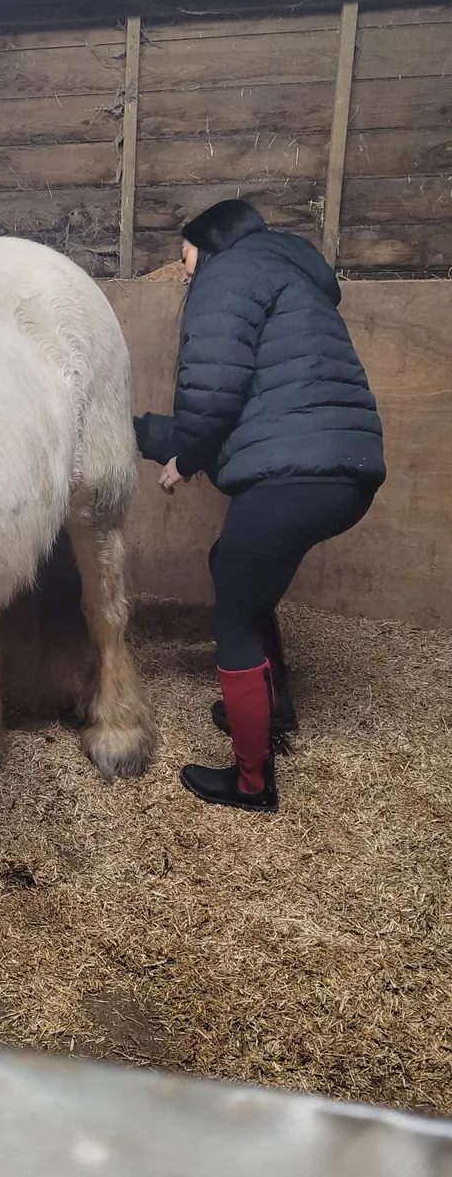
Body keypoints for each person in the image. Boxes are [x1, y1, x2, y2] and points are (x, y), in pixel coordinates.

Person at [133, 200, 385, 812]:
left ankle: (251, 783)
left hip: (293, 476)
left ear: (210, 244)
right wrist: (140, 434)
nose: (184, 269)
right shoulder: (290, 276)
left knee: (234, 620)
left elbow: (212, 390)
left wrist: (185, 457)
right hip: (343, 470)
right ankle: (274, 707)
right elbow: (256, 412)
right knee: (233, 564)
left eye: (186, 254)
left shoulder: (229, 275)